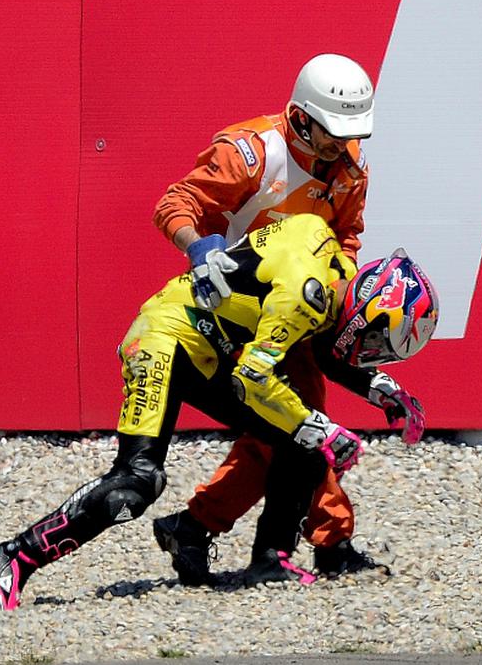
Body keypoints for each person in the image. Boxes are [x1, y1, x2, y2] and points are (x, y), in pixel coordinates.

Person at [0, 214, 437, 611]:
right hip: (166, 339)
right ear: (365, 315)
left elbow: (314, 333)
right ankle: (13, 556)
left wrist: (380, 387)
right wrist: (321, 426)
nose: (373, 354)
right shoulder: (305, 291)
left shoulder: (331, 265)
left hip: (208, 350)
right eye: (376, 344)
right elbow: (255, 378)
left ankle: (265, 560)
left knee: (303, 446)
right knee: (137, 482)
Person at [150, 53, 418, 584]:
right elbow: (174, 203)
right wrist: (199, 250)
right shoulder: (250, 153)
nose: (341, 145)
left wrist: (344, 302)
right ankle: (321, 545)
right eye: (331, 132)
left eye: (349, 134)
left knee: (292, 428)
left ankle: (199, 527)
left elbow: (347, 239)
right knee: (300, 425)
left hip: (298, 307)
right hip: (232, 312)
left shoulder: (351, 167)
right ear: (299, 116)